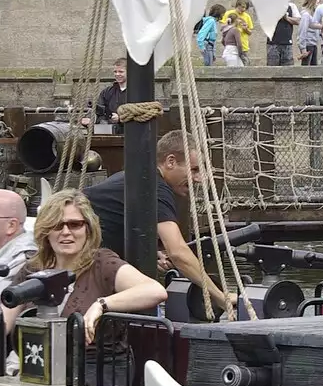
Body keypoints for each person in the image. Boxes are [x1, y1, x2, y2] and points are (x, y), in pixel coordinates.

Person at [80, 129, 231, 315]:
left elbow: (115, 221)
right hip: (81, 263)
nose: (200, 179)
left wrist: (150, 252)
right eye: (194, 169)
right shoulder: (155, 189)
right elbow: (178, 253)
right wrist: (219, 297)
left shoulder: (135, 177)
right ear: (170, 162)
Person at [0, 190, 167, 345]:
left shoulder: (102, 263)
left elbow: (155, 290)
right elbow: (2, 322)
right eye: (57, 225)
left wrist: (101, 305)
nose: (65, 232)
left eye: (75, 224)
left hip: (93, 367)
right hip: (37, 364)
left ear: (88, 228)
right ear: (45, 232)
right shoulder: (34, 267)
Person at [93, 57, 127, 123]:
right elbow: (99, 113)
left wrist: (120, 118)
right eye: (115, 71)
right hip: (110, 131)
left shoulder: (136, 92)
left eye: (121, 72)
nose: (117, 74)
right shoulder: (107, 92)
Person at [267, 1, 301, 66]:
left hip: (287, 43)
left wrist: (287, 18)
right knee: (272, 69)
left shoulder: (291, 6)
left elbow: (298, 21)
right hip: (272, 43)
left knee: (288, 69)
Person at [297, 0, 323, 65]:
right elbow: (302, 31)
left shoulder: (312, 15)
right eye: (317, 3)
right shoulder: (306, 15)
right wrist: (303, 48)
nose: (318, 5)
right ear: (312, 3)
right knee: (307, 68)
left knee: (313, 68)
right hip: (308, 44)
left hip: (313, 44)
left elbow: (314, 26)